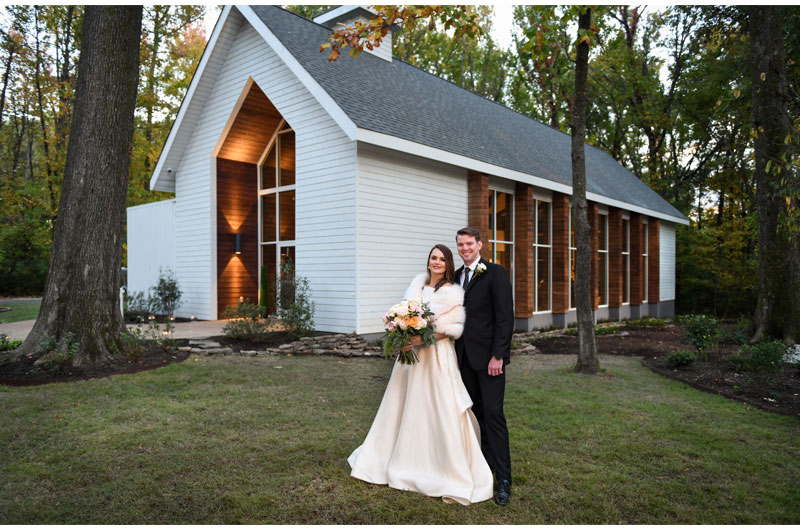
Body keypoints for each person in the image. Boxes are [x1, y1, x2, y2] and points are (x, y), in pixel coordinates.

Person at [348, 244, 493, 505]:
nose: (436, 262)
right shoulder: (416, 287)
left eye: (442, 259)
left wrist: (420, 339)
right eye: (433, 258)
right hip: (410, 361)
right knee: (403, 405)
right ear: (428, 261)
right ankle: (394, 458)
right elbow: (406, 317)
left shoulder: (452, 292)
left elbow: (453, 328)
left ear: (448, 265)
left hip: (436, 358)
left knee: (438, 407)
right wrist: (403, 335)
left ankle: (444, 468)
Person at [454, 227, 514, 506]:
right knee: (474, 417)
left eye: (469, 244)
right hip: (463, 359)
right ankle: (481, 468)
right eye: (461, 245)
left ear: (479, 245)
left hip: (490, 360)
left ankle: (503, 480)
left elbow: (505, 317)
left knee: (493, 415)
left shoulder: (496, 273)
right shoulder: (456, 277)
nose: (465, 248)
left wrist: (498, 356)